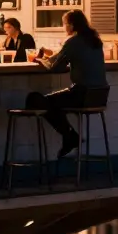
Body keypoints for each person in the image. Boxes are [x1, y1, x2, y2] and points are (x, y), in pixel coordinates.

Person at [26, 9, 107, 158]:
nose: (64, 27)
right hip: (99, 94)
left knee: (35, 100)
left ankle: (71, 136)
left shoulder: (73, 41)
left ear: (71, 25)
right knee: (55, 105)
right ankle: (69, 136)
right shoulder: (95, 41)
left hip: (82, 93)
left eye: (64, 24)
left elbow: (55, 67)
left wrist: (41, 61)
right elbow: (63, 58)